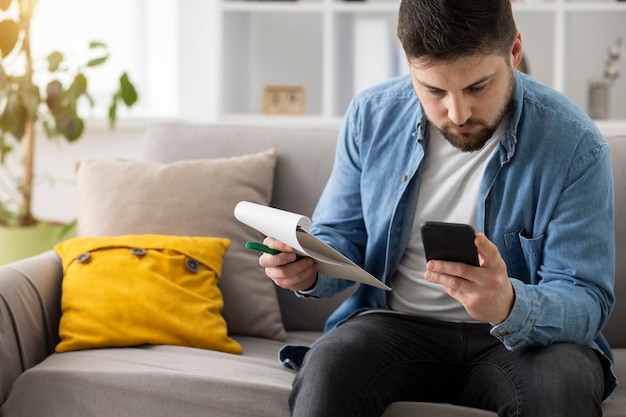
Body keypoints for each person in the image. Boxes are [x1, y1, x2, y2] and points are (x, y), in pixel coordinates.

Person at [259, 0, 616, 416]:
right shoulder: (371, 116)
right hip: (393, 324)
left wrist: (509, 303)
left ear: (514, 52)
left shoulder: (574, 144)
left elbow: (586, 298)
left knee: (563, 385)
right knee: (329, 368)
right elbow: (343, 237)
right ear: (408, 64)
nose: (457, 113)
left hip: (522, 340)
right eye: (433, 90)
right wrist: (311, 265)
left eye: (477, 88)